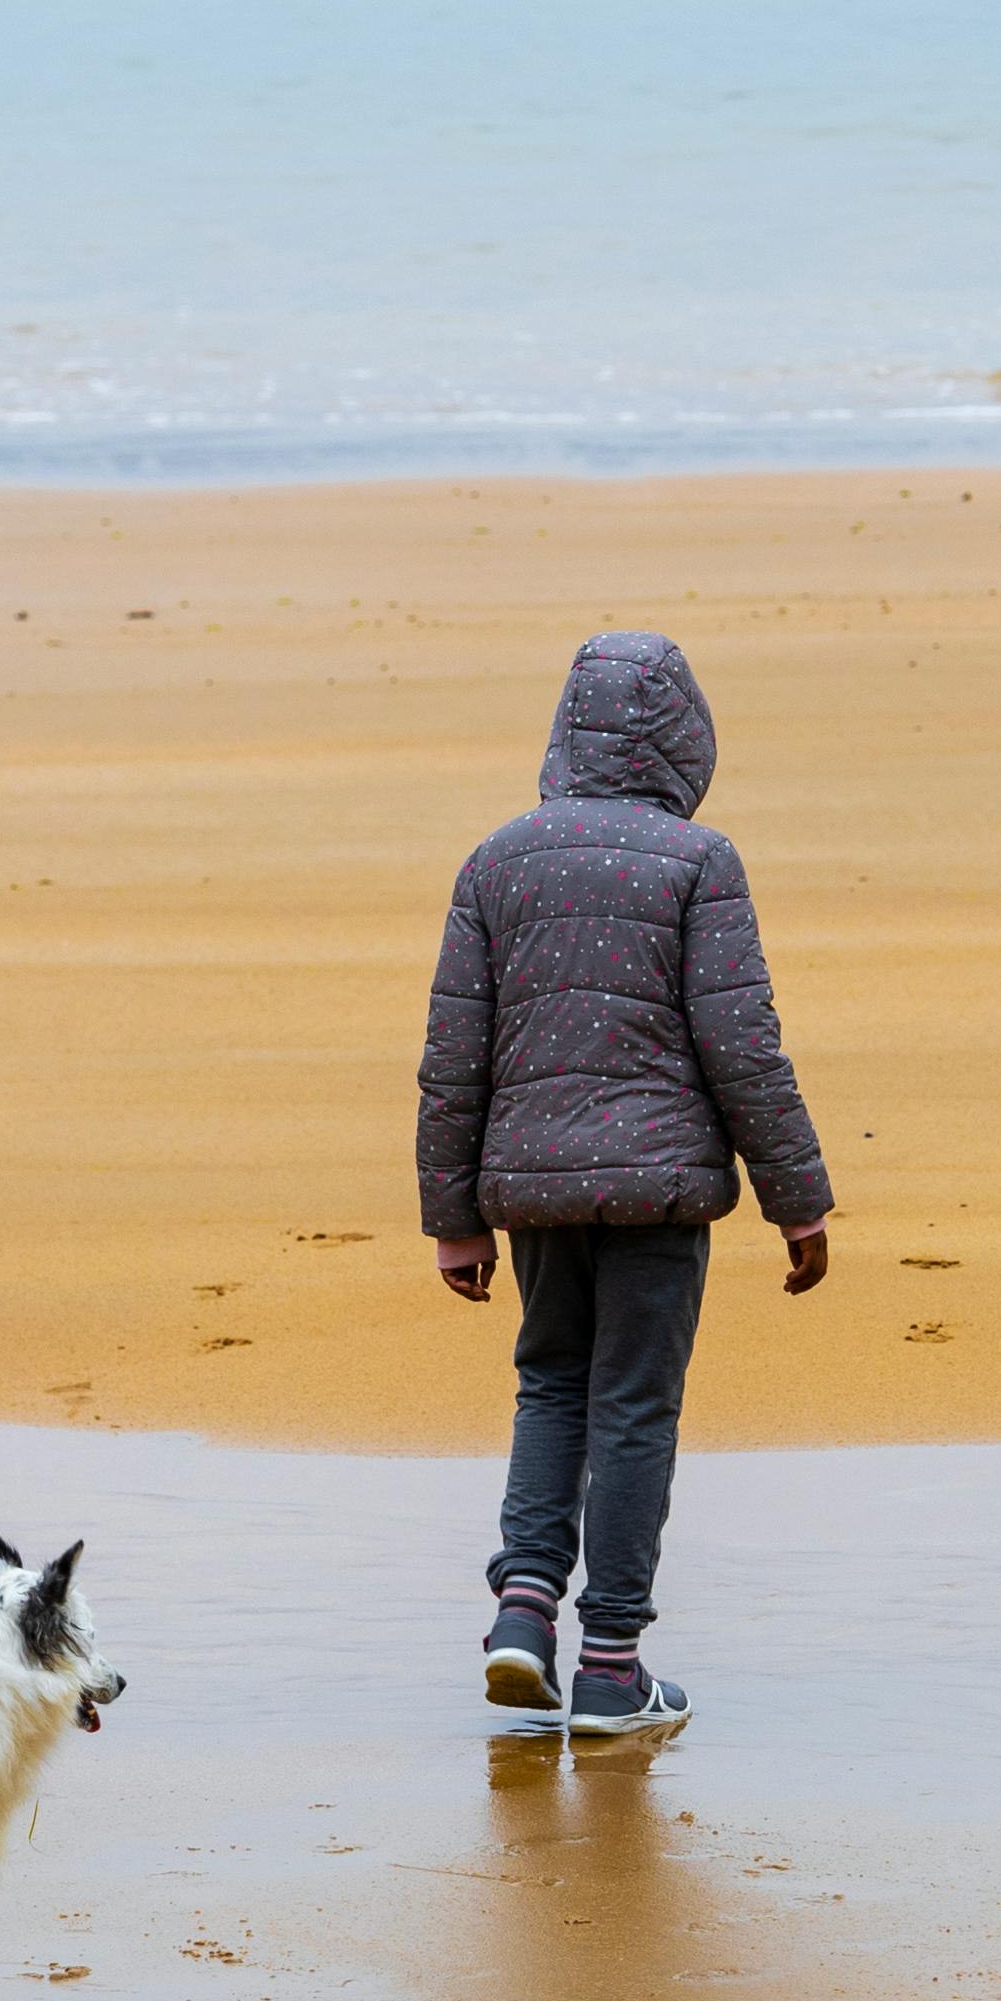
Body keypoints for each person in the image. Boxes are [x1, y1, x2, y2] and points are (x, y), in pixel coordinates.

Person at [415, 630, 833, 1733]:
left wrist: (453, 1219)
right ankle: (609, 1666)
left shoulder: (496, 860)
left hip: (533, 1188)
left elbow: (456, 1053)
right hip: (658, 1191)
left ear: (565, 733)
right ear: (685, 741)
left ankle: (521, 1612)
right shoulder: (700, 861)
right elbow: (742, 1042)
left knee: (551, 1383)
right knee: (634, 1403)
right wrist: (797, 1196)